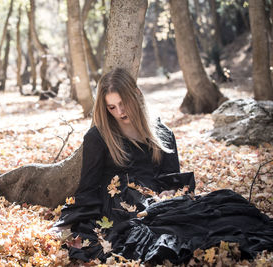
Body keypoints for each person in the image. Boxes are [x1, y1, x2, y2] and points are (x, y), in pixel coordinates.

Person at [54, 68, 273, 264]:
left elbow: (172, 177)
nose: (120, 112)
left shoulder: (161, 132)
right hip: (121, 207)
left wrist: (172, 191)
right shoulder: (98, 136)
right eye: (112, 107)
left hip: (158, 198)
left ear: (136, 95)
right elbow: (88, 187)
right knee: (162, 235)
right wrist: (66, 223)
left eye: (123, 103)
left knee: (226, 207)